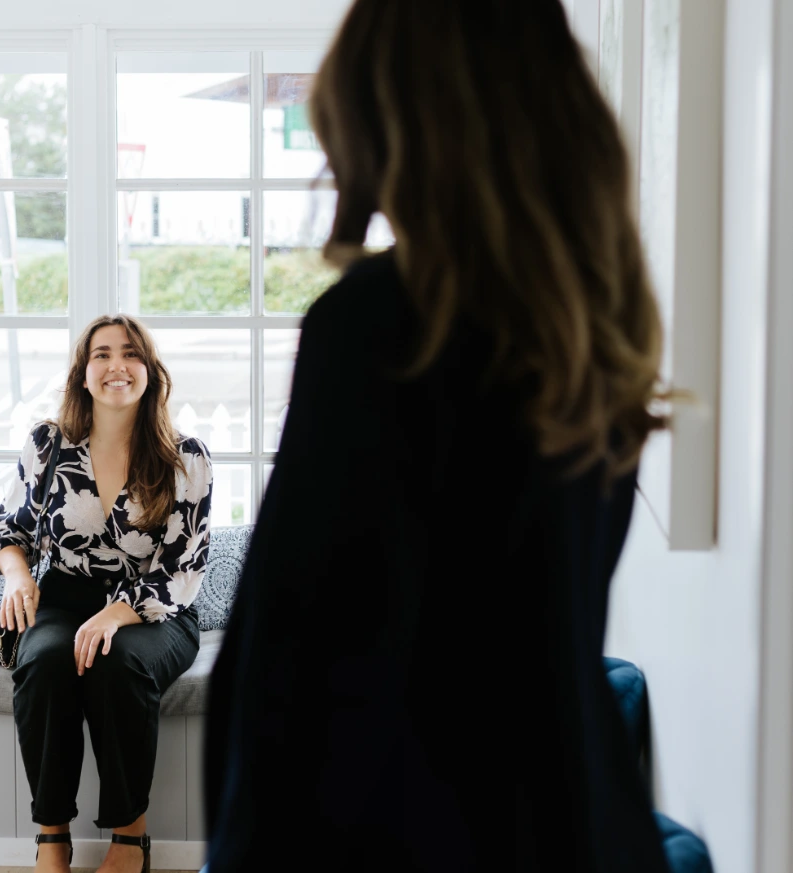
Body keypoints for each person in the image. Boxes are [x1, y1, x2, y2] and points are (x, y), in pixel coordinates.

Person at [203, 1, 672, 871]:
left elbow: (292, 661)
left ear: (396, 119)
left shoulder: (383, 324)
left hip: (408, 826)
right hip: (573, 817)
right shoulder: (594, 326)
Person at [0, 315, 213, 873]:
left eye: (131, 354)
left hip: (157, 611)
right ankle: (51, 837)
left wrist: (118, 613)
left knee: (119, 667)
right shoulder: (48, 443)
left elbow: (186, 566)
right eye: (102, 354)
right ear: (83, 375)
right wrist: (17, 575)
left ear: (149, 372)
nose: (117, 366)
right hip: (62, 599)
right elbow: (6, 531)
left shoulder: (187, 457)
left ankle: (130, 839)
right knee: (43, 665)